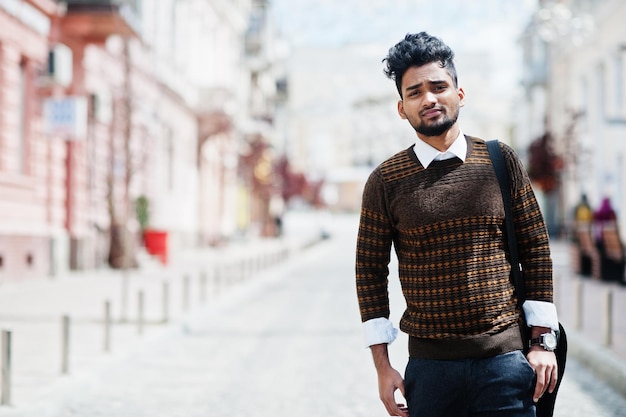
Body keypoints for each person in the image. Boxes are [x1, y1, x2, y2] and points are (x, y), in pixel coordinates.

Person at [355, 32, 559, 417]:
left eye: (438, 87)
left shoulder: (500, 160)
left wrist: (541, 343)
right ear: (402, 108)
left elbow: (536, 249)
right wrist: (382, 367)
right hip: (430, 373)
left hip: (505, 366)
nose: (428, 99)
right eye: (415, 93)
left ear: (459, 94)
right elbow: (369, 273)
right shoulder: (385, 180)